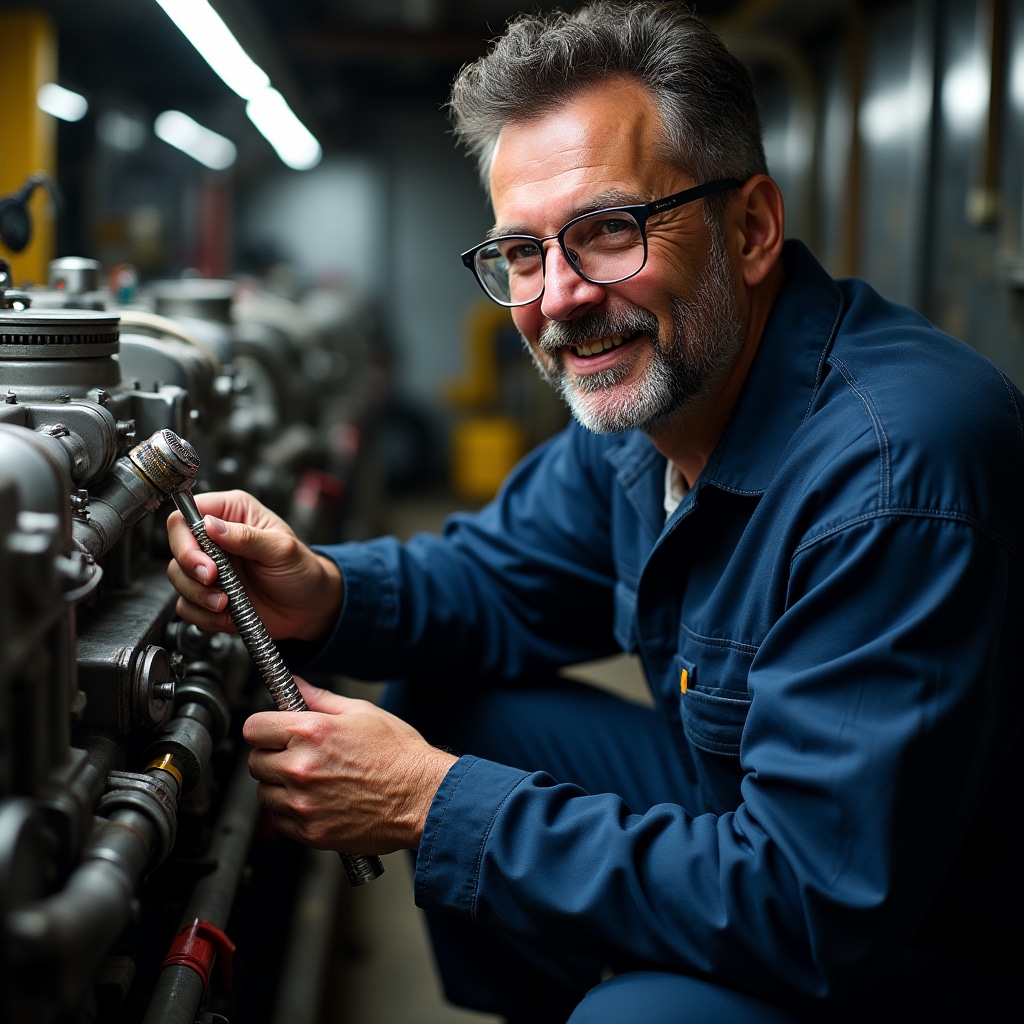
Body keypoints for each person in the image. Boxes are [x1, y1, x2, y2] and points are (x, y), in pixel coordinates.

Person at [166, 2, 1024, 1021]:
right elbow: (499, 575)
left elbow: (811, 904)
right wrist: (328, 588)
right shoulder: (655, 414)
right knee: (448, 702)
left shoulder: (894, 475)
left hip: (938, 935)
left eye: (608, 230)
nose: (559, 294)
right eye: (522, 253)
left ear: (748, 229)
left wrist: (430, 802)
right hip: (766, 823)